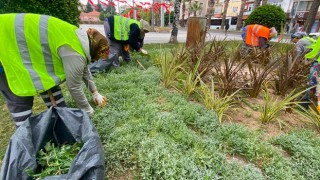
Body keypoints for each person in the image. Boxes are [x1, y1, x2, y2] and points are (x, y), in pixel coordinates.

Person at [0, 13, 108, 128]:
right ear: (95, 50)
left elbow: (85, 71)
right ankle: (25, 139)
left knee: (49, 83)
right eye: (99, 56)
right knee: (21, 99)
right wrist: (88, 111)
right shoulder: (74, 52)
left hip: (20, 43)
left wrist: (95, 93)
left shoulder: (81, 41)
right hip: (6, 45)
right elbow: (74, 87)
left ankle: (63, 122)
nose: (97, 60)